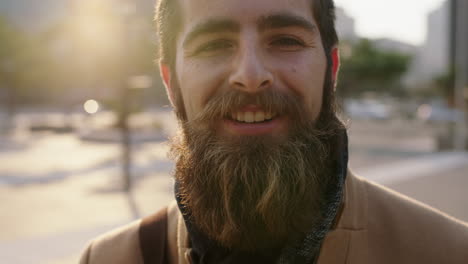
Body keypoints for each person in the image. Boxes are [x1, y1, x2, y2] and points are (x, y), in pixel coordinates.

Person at [80, 0, 468, 263]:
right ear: (171, 82)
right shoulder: (111, 258)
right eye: (214, 44)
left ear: (331, 71)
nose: (250, 76)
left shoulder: (447, 252)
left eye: (285, 40)